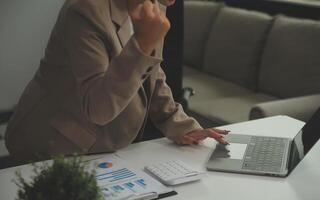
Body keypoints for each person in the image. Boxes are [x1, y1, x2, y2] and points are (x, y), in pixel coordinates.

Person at [5, 0, 228, 163]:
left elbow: (151, 72)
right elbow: (98, 108)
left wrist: (179, 124)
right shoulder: (85, 10)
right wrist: (142, 43)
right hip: (52, 145)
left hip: (105, 149)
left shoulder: (155, 4)